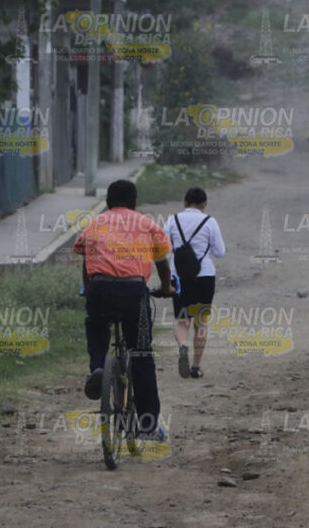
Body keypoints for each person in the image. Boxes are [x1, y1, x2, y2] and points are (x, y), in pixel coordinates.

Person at [74, 180, 175, 438]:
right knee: (141, 355)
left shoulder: (94, 223)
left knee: (96, 324)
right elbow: (162, 261)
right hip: (133, 292)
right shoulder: (146, 224)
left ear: (107, 202)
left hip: (100, 289)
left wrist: (89, 291)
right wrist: (166, 288)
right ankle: (148, 427)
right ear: (134, 203)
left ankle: (98, 367)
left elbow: (87, 262)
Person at [162, 187, 226, 379]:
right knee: (200, 322)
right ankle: (196, 367)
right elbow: (220, 252)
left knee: (182, 319)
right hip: (205, 275)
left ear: (184, 202)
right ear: (204, 204)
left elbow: (163, 246)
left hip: (179, 276)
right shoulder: (210, 221)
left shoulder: (173, 220)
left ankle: (183, 346)